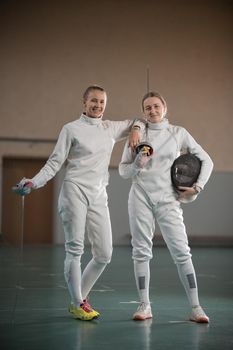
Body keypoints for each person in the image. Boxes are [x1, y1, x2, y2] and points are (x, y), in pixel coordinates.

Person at [14, 85, 144, 321]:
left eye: (102, 102)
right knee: (75, 249)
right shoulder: (71, 129)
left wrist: (135, 130)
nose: (98, 105)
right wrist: (34, 182)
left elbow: (139, 120)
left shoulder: (110, 128)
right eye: (93, 101)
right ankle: (77, 303)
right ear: (84, 103)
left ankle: (79, 299)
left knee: (104, 253)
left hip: (98, 194)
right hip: (74, 190)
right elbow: (55, 162)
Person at [119, 91, 213, 323]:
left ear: (164, 108)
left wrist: (197, 187)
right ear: (143, 112)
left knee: (182, 252)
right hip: (140, 196)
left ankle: (196, 307)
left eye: (156, 106)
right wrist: (138, 165)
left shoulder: (178, 133)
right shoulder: (137, 135)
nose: (152, 110)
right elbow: (123, 171)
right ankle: (145, 305)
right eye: (147, 108)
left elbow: (207, 160)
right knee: (141, 251)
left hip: (168, 199)